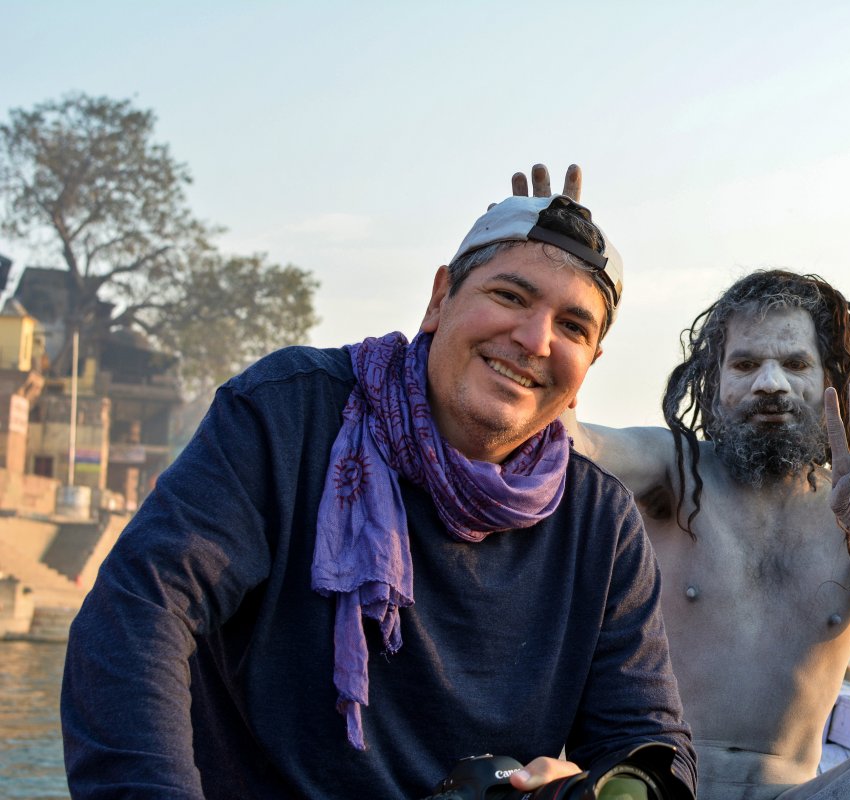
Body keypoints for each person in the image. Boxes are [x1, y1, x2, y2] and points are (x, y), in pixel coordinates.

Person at [60, 182, 697, 799]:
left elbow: (644, 735)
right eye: (509, 295)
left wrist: (617, 789)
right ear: (440, 298)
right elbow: (143, 608)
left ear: (588, 367)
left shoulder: (601, 522)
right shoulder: (290, 413)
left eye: (574, 327)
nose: (535, 340)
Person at [512, 167, 850, 799]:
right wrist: (557, 274)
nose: (770, 383)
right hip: (660, 787)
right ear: (714, 384)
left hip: (800, 795)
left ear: (827, 382)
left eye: (794, 363)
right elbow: (568, 438)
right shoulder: (674, 470)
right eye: (745, 363)